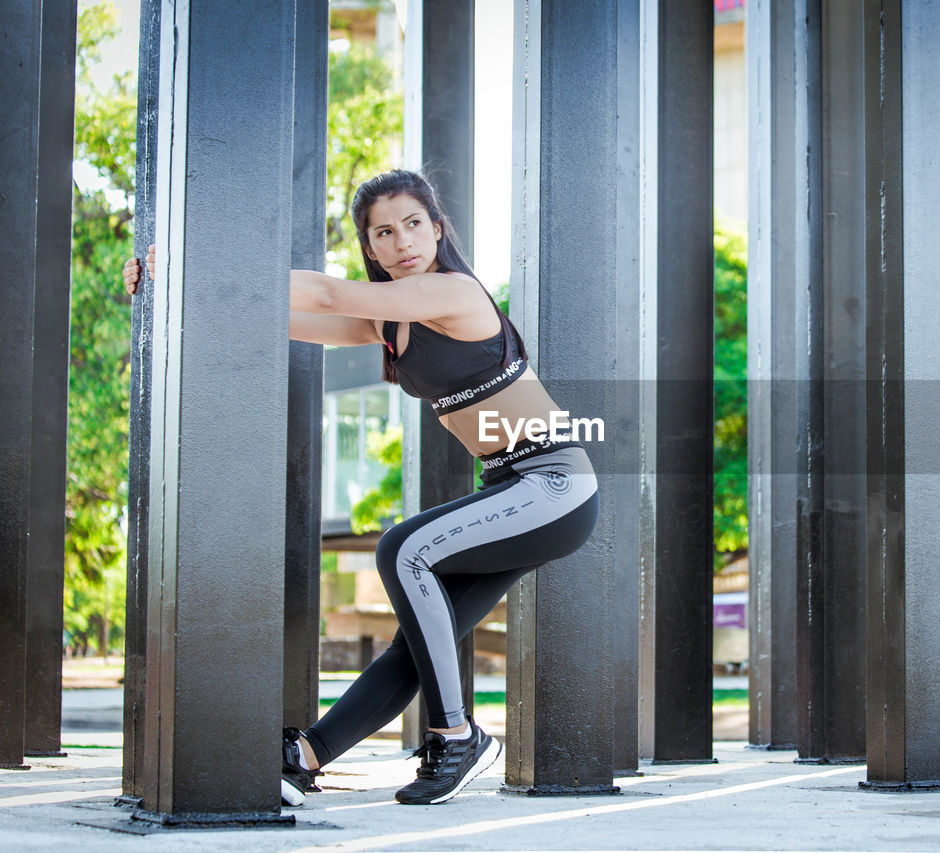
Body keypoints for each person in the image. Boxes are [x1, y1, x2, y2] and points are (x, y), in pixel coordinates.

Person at [122, 168, 599, 806]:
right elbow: (283, 316)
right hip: (512, 488)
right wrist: (170, 285)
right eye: (383, 232)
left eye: (412, 223)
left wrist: (194, 261)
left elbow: (321, 292)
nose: (402, 241)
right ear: (370, 248)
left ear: (436, 228)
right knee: (420, 638)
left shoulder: (453, 292)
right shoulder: (391, 323)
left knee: (403, 550)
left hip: (553, 483)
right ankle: (307, 755)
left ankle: (455, 734)